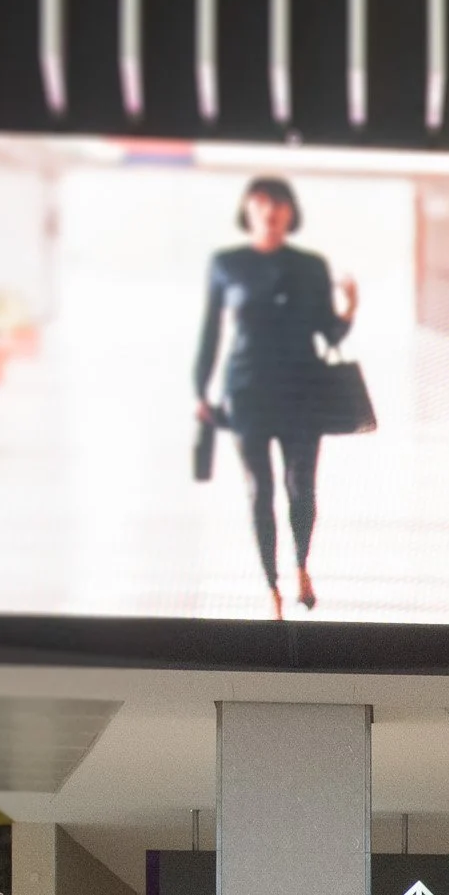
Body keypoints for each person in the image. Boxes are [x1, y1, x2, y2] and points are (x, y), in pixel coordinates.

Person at [193, 175, 359, 619]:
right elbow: (211, 331)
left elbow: (329, 331)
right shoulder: (227, 264)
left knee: (301, 486)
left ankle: (301, 565)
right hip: (246, 390)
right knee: (258, 491)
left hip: (303, 388)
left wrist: (350, 306)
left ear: (291, 212)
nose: (271, 211)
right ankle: (272, 588)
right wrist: (200, 390)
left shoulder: (311, 266)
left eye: (279, 203)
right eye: (262, 202)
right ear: (248, 209)